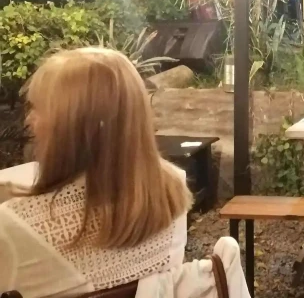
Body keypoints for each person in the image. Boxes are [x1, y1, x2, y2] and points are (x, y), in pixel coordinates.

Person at [0, 47, 192, 297]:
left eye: (37, 109)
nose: (29, 120)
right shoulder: (172, 190)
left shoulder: (13, 229)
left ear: (71, 127)